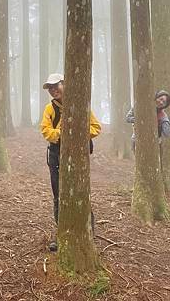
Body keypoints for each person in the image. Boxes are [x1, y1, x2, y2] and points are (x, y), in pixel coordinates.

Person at [40, 73, 101, 252]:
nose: (53, 90)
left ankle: (87, 233)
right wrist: (61, 134)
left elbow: (96, 127)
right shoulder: (50, 109)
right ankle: (63, 235)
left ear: (65, 84)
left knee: (80, 192)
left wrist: (78, 132)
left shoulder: (81, 105)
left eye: (55, 86)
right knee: (59, 195)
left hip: (78, 156)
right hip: (56, 155)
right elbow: (45, 131)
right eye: (50, 88)